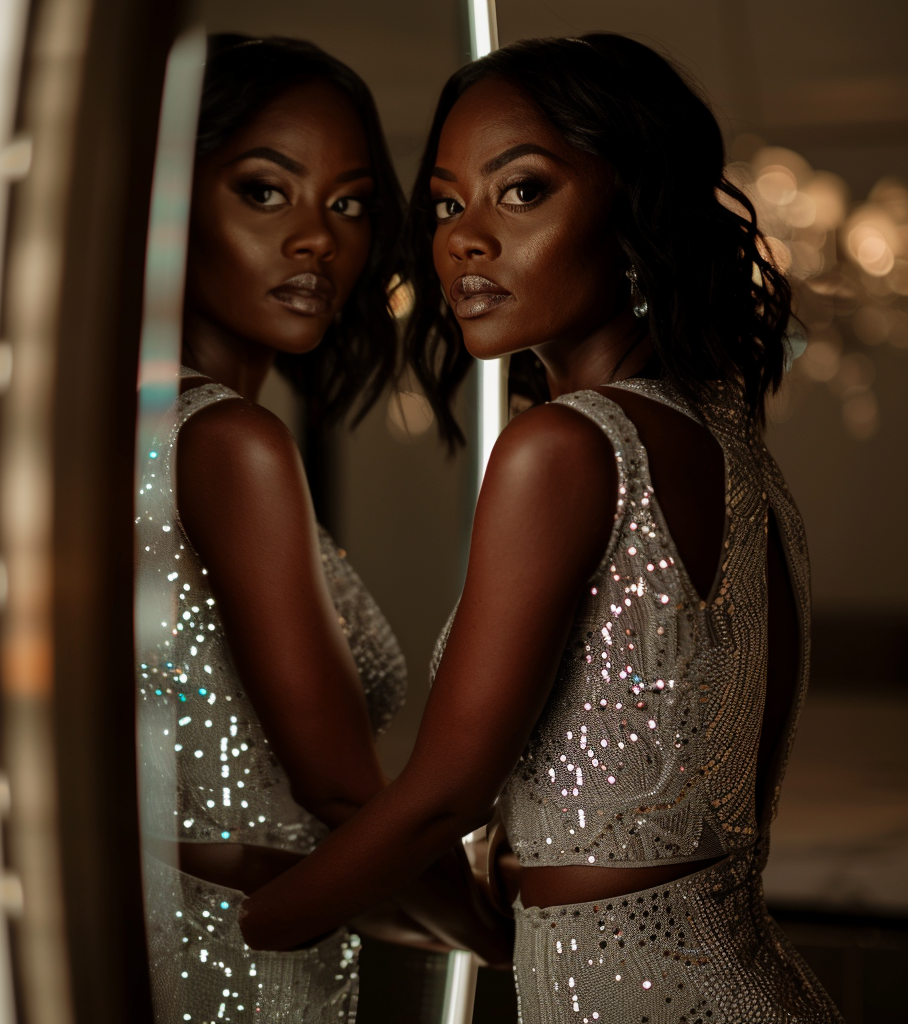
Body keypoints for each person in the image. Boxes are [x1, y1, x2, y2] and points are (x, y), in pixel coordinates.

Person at [238, 34, 843, 1022]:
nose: (464, 239)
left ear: (634, 210)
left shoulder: (566, 447)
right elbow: (567, 864)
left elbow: (443, 796)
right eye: (444, 204)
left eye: (520, 191)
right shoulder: (730, 443)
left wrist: (245, 925)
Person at [136, 34, 507, 1024]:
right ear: (168, 198)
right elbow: (342, 793)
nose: (316, 239)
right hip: (234, 974)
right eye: (266, 190)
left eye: (346, 205)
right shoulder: (231, 444)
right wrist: (516, 943)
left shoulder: (135, 431)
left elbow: (290, 824)